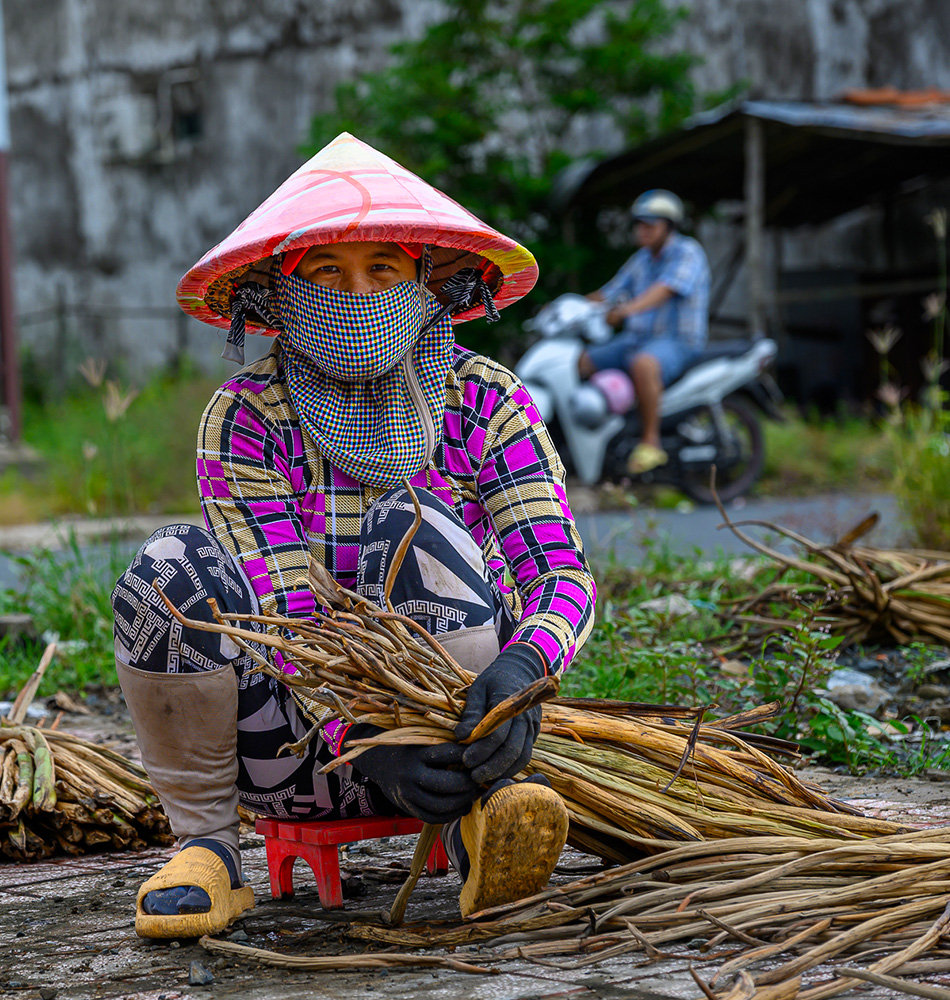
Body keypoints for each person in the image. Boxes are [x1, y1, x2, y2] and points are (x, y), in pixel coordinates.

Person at [111, 132, 596, 939]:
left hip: (467, 739)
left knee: (414, 527)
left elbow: (561, 575)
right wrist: (367, 737)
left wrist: (523, 669)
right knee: (169, 569)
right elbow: (283, 607)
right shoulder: (247, 418)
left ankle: (483, 826)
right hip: (302, 755)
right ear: (279, 293)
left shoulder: (487, 401)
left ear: (425, 282)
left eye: (384, 268)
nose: (356, 293)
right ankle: (208, 851)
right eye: (326, 272)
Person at [578, 190, 710, 475]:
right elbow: (609, 292)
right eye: (639, 224)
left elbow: (664, 290)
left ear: (669, 226)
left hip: (678, 341)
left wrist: (627, 310)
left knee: (643, 364)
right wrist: (570, 306)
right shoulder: (641, 259)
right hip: (637, 339)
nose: (643, 230)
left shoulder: (688, 252)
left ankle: (652, 441)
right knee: (582, 360)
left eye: (650, 224)